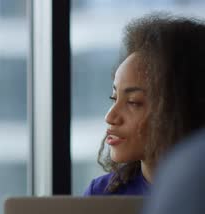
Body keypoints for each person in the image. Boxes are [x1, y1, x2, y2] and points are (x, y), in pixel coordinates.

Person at [84, 14, 205, 195]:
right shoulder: (101, 194)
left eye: (133, 102)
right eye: (113, 97)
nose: (110, 117)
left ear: (183, 108)